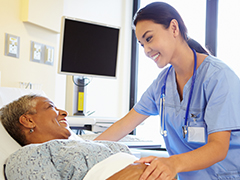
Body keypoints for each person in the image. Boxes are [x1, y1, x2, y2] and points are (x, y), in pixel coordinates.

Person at [95, 1, 240, 180]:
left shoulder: (219, 77)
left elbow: (218, 148)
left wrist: (172, 163)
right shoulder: (162, 83)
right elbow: (124, 125)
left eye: (149, 39)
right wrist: (87, 150)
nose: (147, 51)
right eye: (141, 45)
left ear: (173, 28)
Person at [0, 94, 148, 180]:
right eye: (51, 107)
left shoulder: (83, 145)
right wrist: (126, 175)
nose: (64, 112)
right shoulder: (26, 157)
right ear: (28, 120)